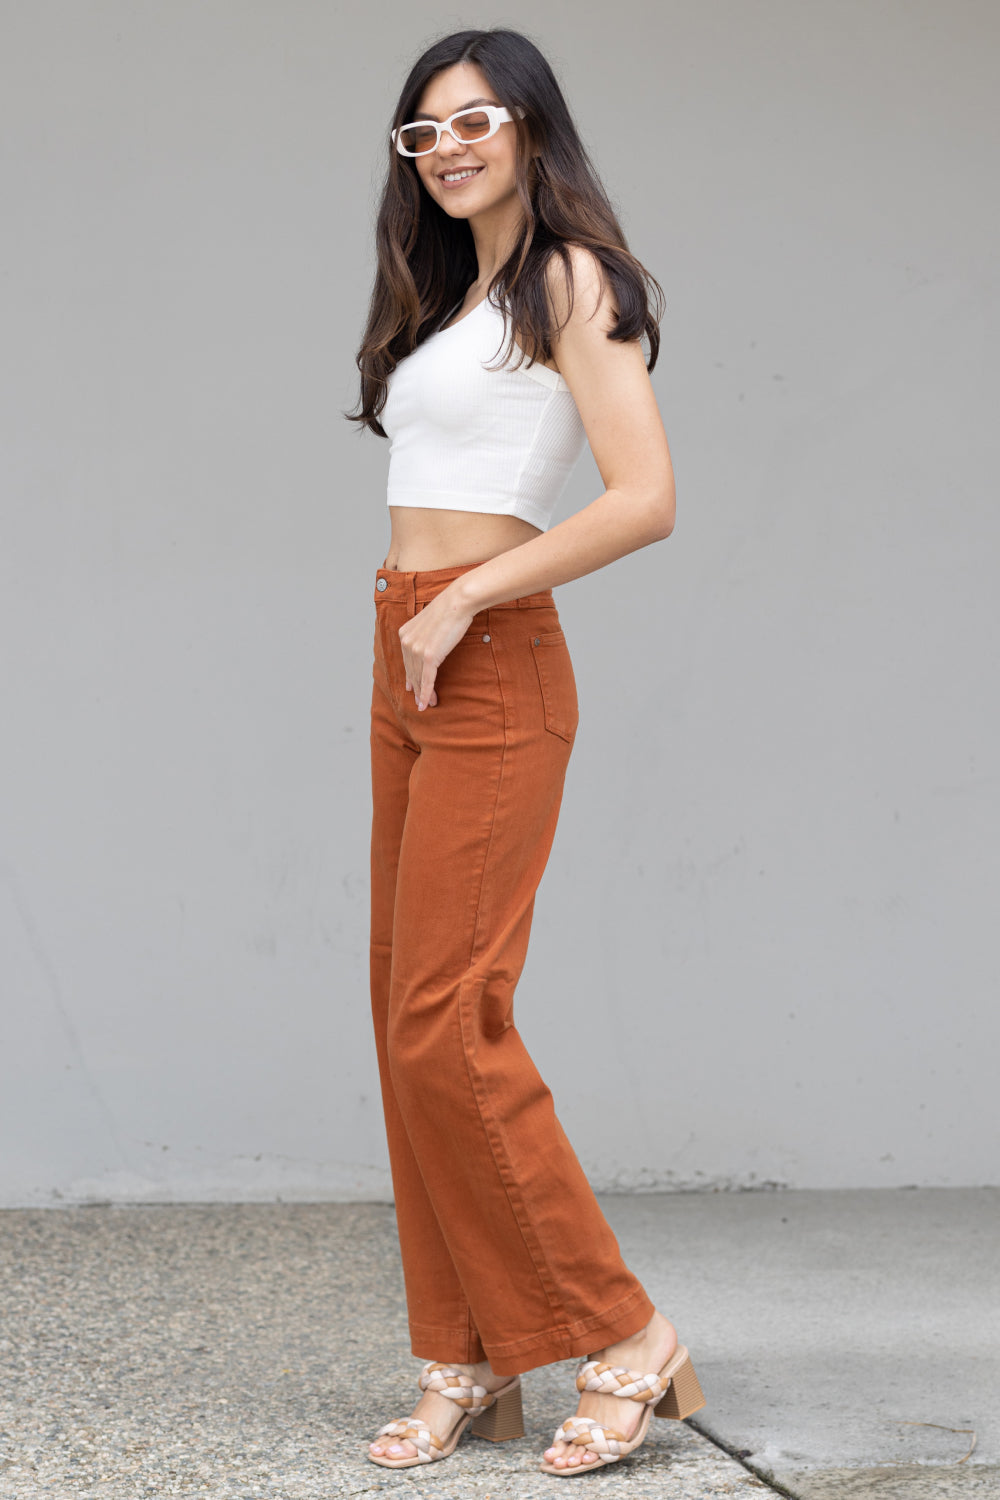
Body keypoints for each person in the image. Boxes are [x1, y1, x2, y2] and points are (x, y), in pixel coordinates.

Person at [348, 26, 703, 1477]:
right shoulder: (453, 297)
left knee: (449, 1015)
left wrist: (468, 599)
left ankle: (628, 1333)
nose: (447, 148)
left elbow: (646, 496)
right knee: (403, 1019)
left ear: (532, 127)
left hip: (486, 654)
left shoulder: (572, 279)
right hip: (409, 644)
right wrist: (422, 615)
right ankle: (469, 1353)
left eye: (474, 119)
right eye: (423, 131)